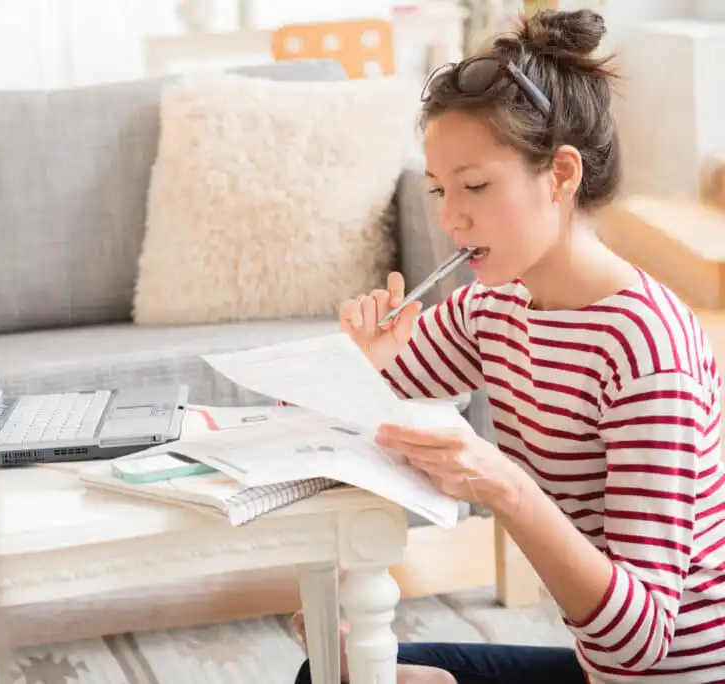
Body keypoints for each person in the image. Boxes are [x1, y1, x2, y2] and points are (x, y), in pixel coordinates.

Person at [293, 8, 725, 684]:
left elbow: (639, 640)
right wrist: (369, 360)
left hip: (673, 675)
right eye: (440, 189)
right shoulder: (496, 305)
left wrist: (503, 484)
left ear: (560, 175)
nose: (450, 216)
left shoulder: (647, 350)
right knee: (334, 673)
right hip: (600, 672)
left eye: (476, 185)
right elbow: (352, 412)